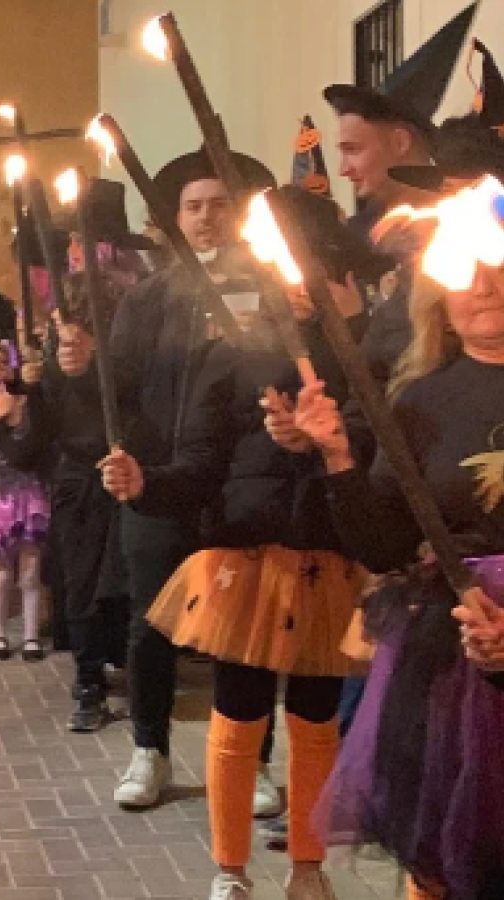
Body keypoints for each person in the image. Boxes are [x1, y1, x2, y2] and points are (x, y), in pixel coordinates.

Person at [103, 186, 386, 900]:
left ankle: (307, 865)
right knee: (239, 709)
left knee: (314, 718)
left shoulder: (359, 360)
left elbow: (379, 446)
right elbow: (197, 465)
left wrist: (323, 439)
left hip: (327, 556)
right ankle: (230, 871)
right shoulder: (230, 356)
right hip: (245, 557)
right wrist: (145, 483)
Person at [299, 142, 504, 900]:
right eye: (467, 272)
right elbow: (382, 542)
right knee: (439, 860)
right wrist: (336, 458)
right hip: (445, 665)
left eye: (498, 264)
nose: (484, 285)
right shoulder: (417, 400)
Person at [107, 146, 277, 810]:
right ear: (175, 218)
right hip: (156, 487)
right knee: (152, 626)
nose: (206, 220)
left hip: (240, 489)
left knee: (243, 628)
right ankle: (150, 750)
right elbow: (115, 391)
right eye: (193, 207)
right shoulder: (147, 299)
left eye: (219, 206)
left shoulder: (266, 291)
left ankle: (253, 758)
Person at [37, 178, 152, 730]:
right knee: (82, 580)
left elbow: (146, 387)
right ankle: (88, 680)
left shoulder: (140, 309)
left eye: (89, 244)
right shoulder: (60, 320)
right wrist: (46, 378)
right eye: (73, 246)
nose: (78, 256)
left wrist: (95, 370)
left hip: (131, 467)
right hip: (78, 472)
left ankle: (134, 670)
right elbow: (51, 409)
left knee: (129, 580)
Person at [324, 4, 471, 384]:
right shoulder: (352, 242)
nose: (343, 169)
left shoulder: (470, 232)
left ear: (401, 142)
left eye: (353, 150)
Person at [0, 340, 49, 659]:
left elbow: (21, 458)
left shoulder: (30, 430)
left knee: (29, 573)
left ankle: (31, 636)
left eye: (0, 394)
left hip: (28, 500)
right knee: (1, 575)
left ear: (18, 401)